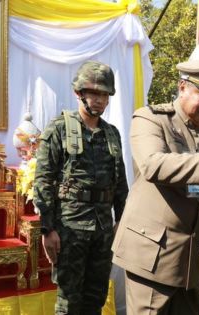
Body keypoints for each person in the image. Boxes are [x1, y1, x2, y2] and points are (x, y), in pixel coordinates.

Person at [112, 57, 199, 314]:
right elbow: (153, 165)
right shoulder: (151, 119)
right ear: (182, 87)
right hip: (153, 255)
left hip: (193, 262)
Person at [33, 60, 129, 315]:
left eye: (104, 95)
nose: (99, 100)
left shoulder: (112, 133)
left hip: (102, 230)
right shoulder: (60, 128)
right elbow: (43, 179)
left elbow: (120, 183)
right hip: (70, 229)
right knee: (69, 300)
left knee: (95, 297)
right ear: (79, 93)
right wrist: (48, 229)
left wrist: (122, 220)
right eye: (93, 93)